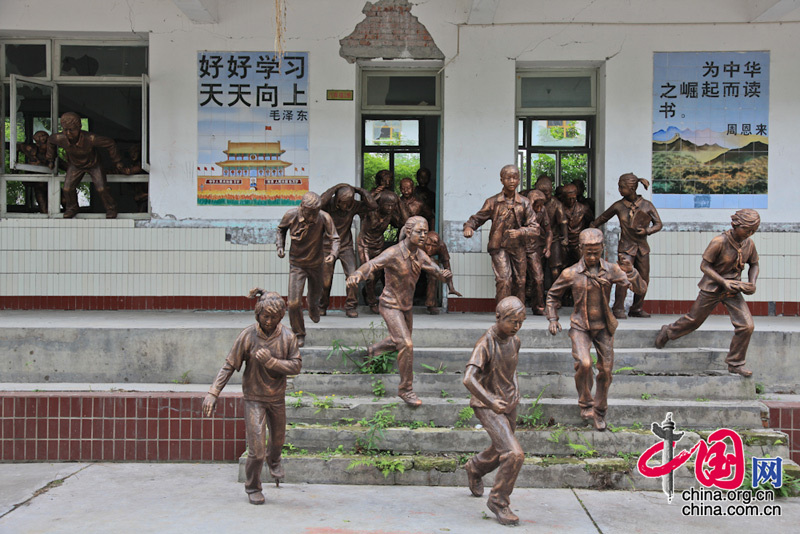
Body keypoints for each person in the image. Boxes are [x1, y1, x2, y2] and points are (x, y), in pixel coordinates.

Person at [202, 289, 301, 505]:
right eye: (265, 316)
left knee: (277, 442)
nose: (268, 321)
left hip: (276, 399)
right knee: (256, 451)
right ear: (257, 314)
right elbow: (229, 365)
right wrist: (213, 392)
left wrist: (271, 362)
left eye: (274, 317)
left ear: (281, 316)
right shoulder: (248, 336)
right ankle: (253, 486)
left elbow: (296, 365)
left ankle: (274, 460)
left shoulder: (287, 337)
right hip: (254, 398)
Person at [546, 228, 647, 431]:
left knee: (606, 371)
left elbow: (640, 289)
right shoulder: (571, 273)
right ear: (581, 249)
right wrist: (553, 318)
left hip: (603, 327)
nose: (592, 256)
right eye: (588, 252)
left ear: (602, 248)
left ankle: (600, 411)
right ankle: (586, 403)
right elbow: (552, 296)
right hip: (580, 326)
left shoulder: (611, 270)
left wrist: (632, 271)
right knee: (584, 364)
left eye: (596, 252)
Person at [347, 216, 453, 406]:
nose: (423, 236)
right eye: (419, 232)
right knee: (406, 344)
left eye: (425, 231)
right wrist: (357, 274)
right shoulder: (393, 253)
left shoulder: (419, 254)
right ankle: (406, 389)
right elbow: (372, 264)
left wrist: (444, 275)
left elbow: (435, 270)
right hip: (390, 305)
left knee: (400, 342)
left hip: (406, 307)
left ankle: (373, 351)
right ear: (408, 231)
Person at [656, 209, 761, 377]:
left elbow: (754, 264)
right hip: (713, 287)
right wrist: (723, 281)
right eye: (747, 229)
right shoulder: (719, 241)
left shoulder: (749, 244)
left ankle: (735, 363)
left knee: (747, 326)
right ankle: (668, 331)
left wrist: (752, 283)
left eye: (754, 231)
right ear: (736, 225)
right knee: (694, 320)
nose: (750, 234)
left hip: (733, 290)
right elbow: (704, 266)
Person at [463, 296, 526, 526]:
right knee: (513, 453)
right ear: (498, 318)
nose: (516, 326)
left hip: (509, 403)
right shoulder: (485, 343)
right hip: (488, 406)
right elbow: (468, 379)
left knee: (501, 447)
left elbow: (513, 369)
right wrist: (490, 402)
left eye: (520, 322)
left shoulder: (514, 340)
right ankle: (499, 501)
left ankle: (475, 466)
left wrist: (516, 389)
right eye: (512, 321)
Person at [463, 164, 540, 303]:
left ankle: (517, 312)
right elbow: (477, 218)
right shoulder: (493, 202)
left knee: (521, 281)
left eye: (515, 178)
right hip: (499, 247)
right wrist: (469, 227)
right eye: (508, 178)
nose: (512, 181)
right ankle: (502, 312)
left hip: (518, 246)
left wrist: (521, 232)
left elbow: (535, 228)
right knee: (504, 280)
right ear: (501, 180)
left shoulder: (524, 203)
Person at [591, 173, 663, 318]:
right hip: (625, 248)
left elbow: (659, 224)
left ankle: (636, 308)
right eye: (619, 186)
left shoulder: (647, 205)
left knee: (643, 278)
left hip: (642, 248)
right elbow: (600, 219)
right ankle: (618, 308)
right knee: (622, 277)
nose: (619, 189)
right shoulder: (619, 206)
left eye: (621, 187)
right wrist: (592, 233)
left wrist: (647, 230)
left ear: (632, 188)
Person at [276, 191, 340, 347]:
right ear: (302, 207)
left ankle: (313, 307)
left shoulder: (324, 217)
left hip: (317, 264)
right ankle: (299, 333)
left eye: (316, 212)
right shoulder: (291, 215)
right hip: (297, 264)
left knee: (315, 295)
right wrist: (280, 246)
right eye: (311, 213)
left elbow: (335, 238)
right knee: (293, 302)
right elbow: (280, 230)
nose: (313, 216)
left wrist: (333, 254)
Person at [45, 112, 126, 218]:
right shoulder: (60, 138)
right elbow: (50, 141)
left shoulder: (91, 138)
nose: (68, 134)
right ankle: (72, 207)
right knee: (67, 189)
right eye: (65, 130)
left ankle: (111, 208)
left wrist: (117, 161)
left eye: (72, 130)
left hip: (94, 165)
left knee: (101, 189)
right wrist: (51, 159)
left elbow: (110, 143)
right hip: (75, 165)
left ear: (79, 127)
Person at [319, 183, 377, 318]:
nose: (345, 207)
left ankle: (351, 306)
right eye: (342, 203)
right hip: (327, 246)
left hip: (345, 246)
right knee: (325, 281)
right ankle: (322, 306)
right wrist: (335, 188)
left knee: (353, 276)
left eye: (348, 203)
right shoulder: (329, 204)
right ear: (337, 200)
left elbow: (373, 206)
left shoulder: (354, 205)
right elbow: (319, 203)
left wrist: (360, 190)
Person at [356, 190, 405, 313]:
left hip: (378, 245)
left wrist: (399, 203)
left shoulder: (390, 214)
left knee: (378, 274)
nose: (389, 208)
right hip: (364, 244)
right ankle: (372, 302)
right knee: (369, 273)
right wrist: (376, 195)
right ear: (380, 203)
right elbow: (366, 203)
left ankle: (367, 293)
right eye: (387, 204)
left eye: (392, 205)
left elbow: (405, 221)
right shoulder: (370, 211)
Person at [534, 175, 568, 286]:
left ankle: (555, 294)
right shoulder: (531, 203)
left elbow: (563, 222)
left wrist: (566, 238)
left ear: (551, 191)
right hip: (536, 240)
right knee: (536, 269)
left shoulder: (557, 204)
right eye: (540, 193)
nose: (543, 196)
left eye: (546, 193)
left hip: (554, 239)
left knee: (555, 270)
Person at [421, 230, 462, 314]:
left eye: (433, 246)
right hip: (415, 260)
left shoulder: (441, 246)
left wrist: (451, 288)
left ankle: (431, 304)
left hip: (430, 262)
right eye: (428, 245)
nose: (430, 248)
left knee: (434, 274)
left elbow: (447, 267)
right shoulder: (419, 243)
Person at [526, 190, 553, 315]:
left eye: (541, 205)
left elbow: (548, 231)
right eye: (536, 205)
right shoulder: (522, 209)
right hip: (520, 247)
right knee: (519, 280)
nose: (539, 208)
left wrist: (547, 246)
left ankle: (539, 306)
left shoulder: (542, 211)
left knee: (538, 278)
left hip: (535, 248)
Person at [18, 130, 52, 213]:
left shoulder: (51, 155)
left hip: (51, 185)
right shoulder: (31, 150)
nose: (48, 146)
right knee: (44, 209)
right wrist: (15, 167)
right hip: (38, 185)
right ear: (37, 144)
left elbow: (65, 166)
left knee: (64, 200)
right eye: (45, 143)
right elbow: (17, 146)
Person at [562, 183, 593, 268]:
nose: (572, 201)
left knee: (583, 264)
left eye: (573, 198)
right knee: (563, 266)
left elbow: (591, 222)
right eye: (569, 199)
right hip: (564, 242)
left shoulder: (583, 208)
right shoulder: (560, 209)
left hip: (578, 242)